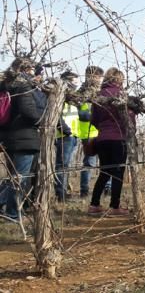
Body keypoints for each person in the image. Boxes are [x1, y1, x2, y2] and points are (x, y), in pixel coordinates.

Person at [0, 58, 45, 220]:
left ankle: (9, 209)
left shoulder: (5, 85)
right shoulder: (23, 86)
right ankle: (12, 213)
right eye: (33, 69)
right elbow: (28, 111)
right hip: (25, 136)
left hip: (7, 136)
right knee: (20, 178)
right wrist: (42, 121)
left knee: (13, 176)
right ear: (26, 70)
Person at [88, 67, 134, 216]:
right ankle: (115, 207)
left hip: (102, 139)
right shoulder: (122, 95)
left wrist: (104, 127)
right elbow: (129, 119)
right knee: (118, 172)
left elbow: (93, 120)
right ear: (119, 79)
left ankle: (94, 204)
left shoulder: (98, 96)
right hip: (118, 138)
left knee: (105, 172)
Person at [77, 66, 104, 198]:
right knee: (89, 163)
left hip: (102, 131)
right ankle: (84, 190)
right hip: (89, 133)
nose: (98, 79)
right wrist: (97, 116)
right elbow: (82, 114)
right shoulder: (82, 93)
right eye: (96, 76)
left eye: (99, 77)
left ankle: (107, 189)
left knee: (106, 162)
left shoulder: (102, 92)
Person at [54, 71, 81, 202]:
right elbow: (56, 114)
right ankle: (61, 195)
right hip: (64, 135)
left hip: (73, 135)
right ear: (67, 80)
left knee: (66, 165)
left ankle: (63, 192)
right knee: (62, 166)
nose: (76, 83)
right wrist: (65, 129)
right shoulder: (60, 94)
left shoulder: (73, 96)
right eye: (74, 80)